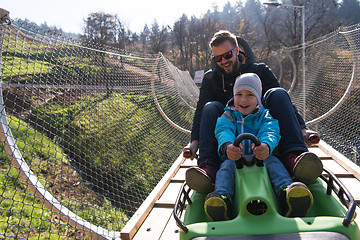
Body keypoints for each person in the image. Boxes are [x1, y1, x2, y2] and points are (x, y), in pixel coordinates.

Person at [184, 30, 322, 194]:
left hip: (260, 129)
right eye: (217, 58)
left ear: (236, 50)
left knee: (277, 93)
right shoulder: (211, 78)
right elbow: (200, 112)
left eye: (227, 55)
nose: (223, 61)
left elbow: (285, 103)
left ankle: (294, 157)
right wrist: (194, 142)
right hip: (228, 132)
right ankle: (209, 167)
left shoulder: (260, 71)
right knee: (209, 107)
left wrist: (302, 127)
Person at [204, 73, 313, 221]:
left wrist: (266, 145)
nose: (243, 100)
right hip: (236, 158)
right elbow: (223, 130)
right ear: (233, 95)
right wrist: (228, 146)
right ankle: (222, 198)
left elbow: (271, 130)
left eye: (250, 95)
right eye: (239, 94)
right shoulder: (228, 115)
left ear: (258, 98)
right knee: (225, 169)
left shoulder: (265, 115)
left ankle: (287, 191)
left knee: (274, 163)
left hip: (261, 156)